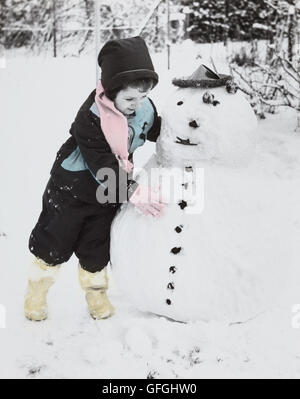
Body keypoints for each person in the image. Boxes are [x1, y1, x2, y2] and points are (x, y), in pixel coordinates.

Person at [24, 36, 166, 322]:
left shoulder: (143, 109)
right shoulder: (90, 118)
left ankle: (96, 294)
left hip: (106, 195)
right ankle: (37, 290)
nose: (136, 106)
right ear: (111, 90)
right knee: (53, 244)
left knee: (97, 249)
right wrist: (132, 190)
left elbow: (160, 130)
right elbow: (101, 163)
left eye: (142, 97)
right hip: (71, 192)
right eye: (129, 99)